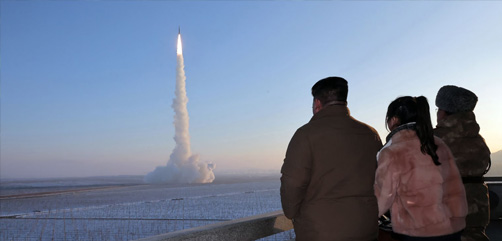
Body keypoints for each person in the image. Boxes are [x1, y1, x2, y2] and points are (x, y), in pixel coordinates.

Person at [280, 77, 383, 241]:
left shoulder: (305, 135)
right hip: (365, 228)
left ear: (317, 103)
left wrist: (292, 212)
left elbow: (292, 183)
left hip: (319, 232)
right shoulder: (370, 134)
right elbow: (380, 180)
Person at [374, 96, 468, 241]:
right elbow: (455, 187)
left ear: (393, 120)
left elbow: (382, 199)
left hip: (418, 231)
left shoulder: (392, 152)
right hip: (451, 228)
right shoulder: (437, 143)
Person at [434, 85, 491, 241]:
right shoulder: (479, 140)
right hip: (478, 205)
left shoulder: (434, 140)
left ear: (444, 113)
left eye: (438, 110)